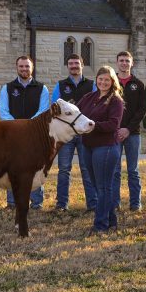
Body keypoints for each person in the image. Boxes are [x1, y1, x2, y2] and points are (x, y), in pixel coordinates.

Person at [0, 55, 49, 210]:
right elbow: (3, 111)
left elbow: (43, 111)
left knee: (35, 167)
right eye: (21, 66)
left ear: (32, 68)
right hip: (13, 135)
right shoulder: (7, 88)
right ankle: (13, 203)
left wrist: (29, 126)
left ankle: (36, 202)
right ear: (17, 68)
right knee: (12, 167)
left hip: (35, 135)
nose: (24, 69)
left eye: (27, 66)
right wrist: (18, 127)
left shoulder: (42, 88)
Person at [78, 66, 124, 234]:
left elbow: (114, 124)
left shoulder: (115, 101)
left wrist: (93, 125)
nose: (103, 82)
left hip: (105, 148)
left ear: (112, 82)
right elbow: (77, 114)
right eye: (100, 79)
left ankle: (100, 225)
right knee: (99, 187)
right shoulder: (89, 97)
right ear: (96, 80)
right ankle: (111, 221)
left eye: (107, 80)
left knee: (104, 187)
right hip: (87, 146)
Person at [50, 53, 96, 212]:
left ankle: (92, 204)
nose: (74, 66)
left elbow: (96, 107)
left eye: (77, 63)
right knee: (63, 169)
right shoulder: (61, 85)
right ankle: (62, 204)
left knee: (87, 168)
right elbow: (54, 108)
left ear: (82, 65)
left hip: (84, 134)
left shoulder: (92, 84)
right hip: (66, 135)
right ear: (67, 66)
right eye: (71, 64)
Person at [112, 51, 146, 212]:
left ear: (132, 63)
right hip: (115, 133)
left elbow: (141, 110)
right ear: (117, 62)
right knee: (115, 170)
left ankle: (135, 204)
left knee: (133, 170)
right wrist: (117, 128)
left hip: (133, 134)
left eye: (127, 61)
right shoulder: (111, 83)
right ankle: (115, 203)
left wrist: (128, 128)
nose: (124, 63)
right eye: (121, 60)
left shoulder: (139, 85)